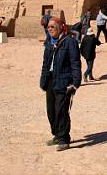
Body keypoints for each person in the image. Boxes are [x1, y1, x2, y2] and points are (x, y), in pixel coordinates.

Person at [39, 16, 81, 151]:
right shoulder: (49, 43)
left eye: (52, 27)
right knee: (51, 111)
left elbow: (75, 63)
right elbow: (45, 63)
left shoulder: (70, 42)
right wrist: (43, 80)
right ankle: (56, 134)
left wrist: (76, 82)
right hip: (50, 80)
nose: (49, 29)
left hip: (64, 80)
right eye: (48, 27)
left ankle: (64, 138)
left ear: (60, 27)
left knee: (61, 111)